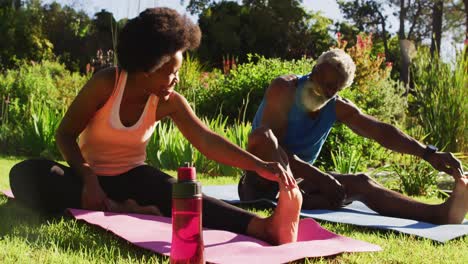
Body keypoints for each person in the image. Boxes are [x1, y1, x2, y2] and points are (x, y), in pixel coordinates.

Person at [9, 7, 302, 245]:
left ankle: (261, 227)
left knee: (183, 192)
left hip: (137, 178)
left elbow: (207, 140)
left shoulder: (169, 101)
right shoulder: (107, 83)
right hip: (87, 177)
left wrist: (258, 165)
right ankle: (118, 207)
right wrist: (88, 179)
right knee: (24, 173)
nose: (176, 79)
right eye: (170, 71)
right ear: (146, 66)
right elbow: (65, 134)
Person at [238, 48, 468, 225]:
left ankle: (439, 214)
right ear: (315, 71)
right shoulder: (285, 88)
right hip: (258, 183)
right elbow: (268, 147)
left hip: (296, 188)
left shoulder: (336, 106)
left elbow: (380, 131)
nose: (328, 92)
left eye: (335, 89)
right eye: (326, 84)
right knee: (264, 136)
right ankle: (295, 195)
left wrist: (427, 153)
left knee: (362, 182)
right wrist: (319, 178)